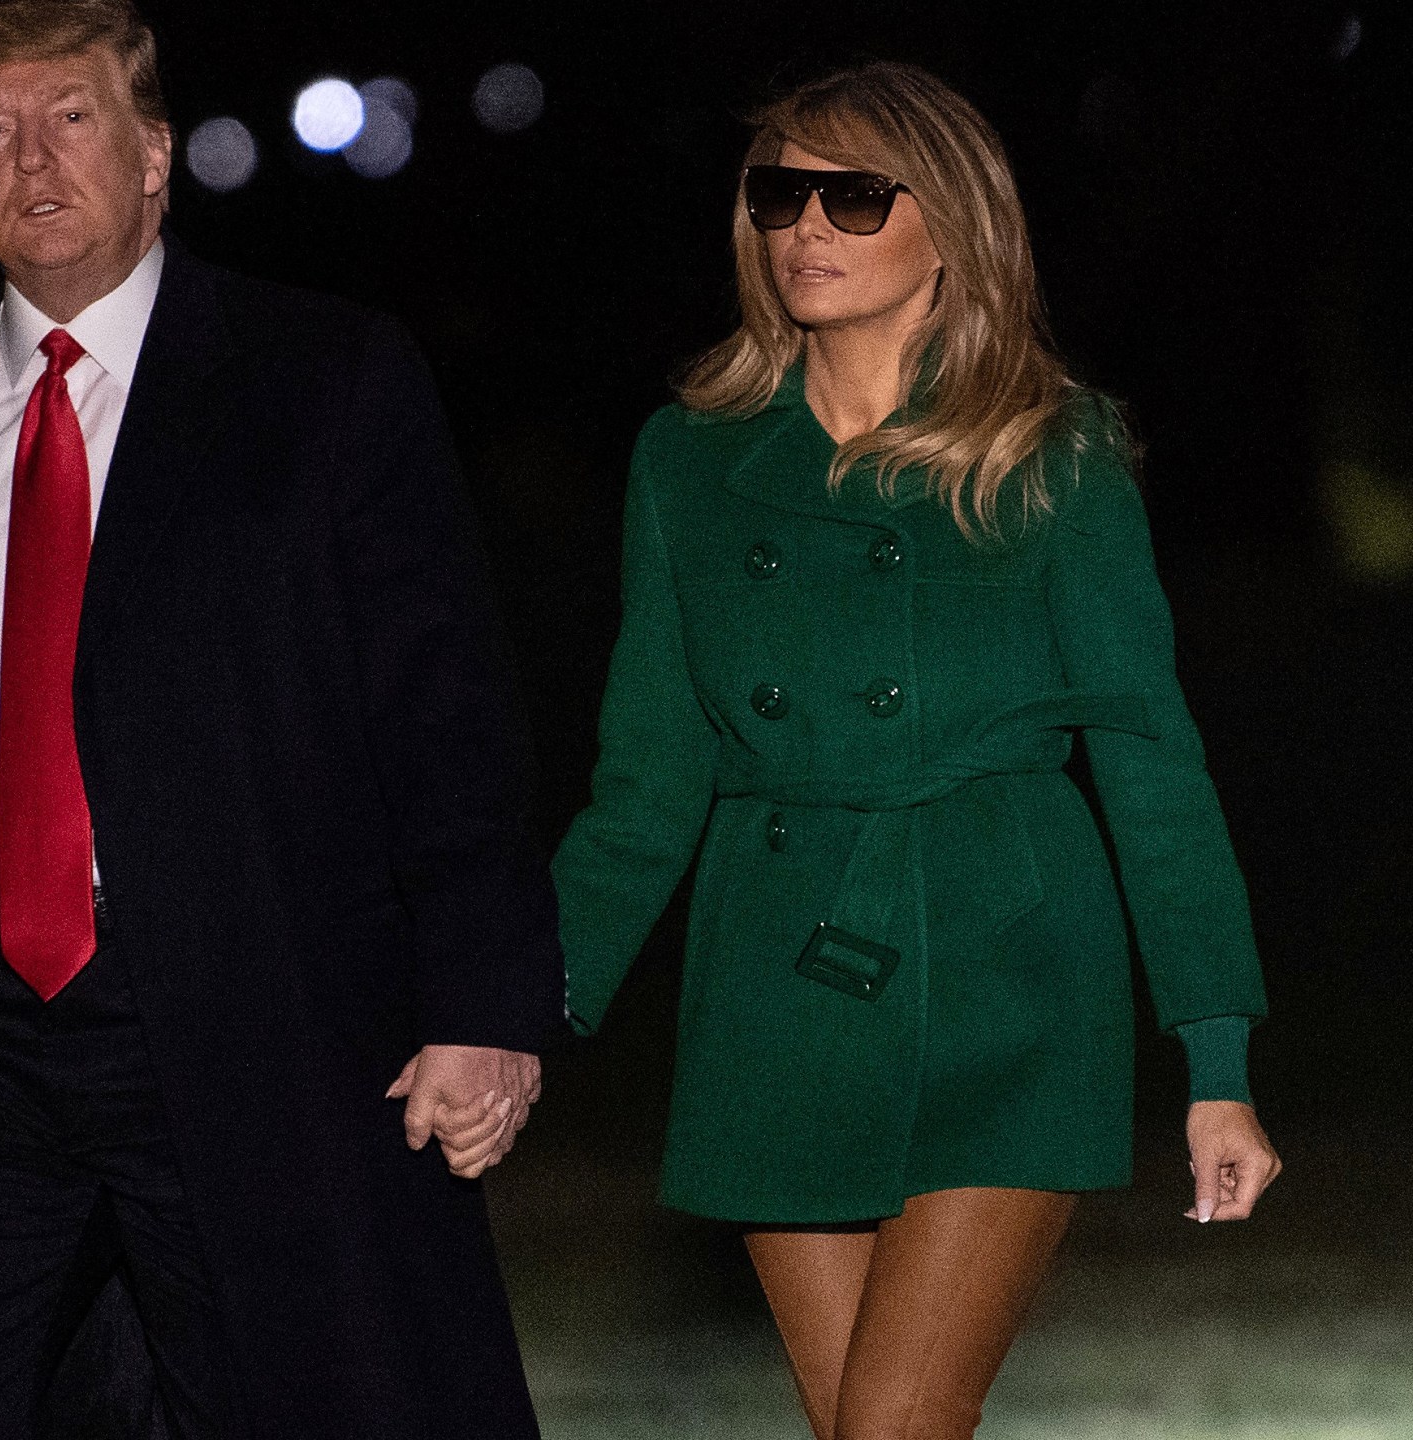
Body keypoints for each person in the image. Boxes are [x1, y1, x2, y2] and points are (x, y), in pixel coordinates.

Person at [0, 2, 563, 1435]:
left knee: (297, 1399)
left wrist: (483, 1006)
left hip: (252, 1002)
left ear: (155, 155)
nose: (34, 162)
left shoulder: (326, 380)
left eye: (71, 116)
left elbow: (443, 720)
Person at [549, 61, 1281, 1440]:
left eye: (855, 195)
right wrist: (510, 1008)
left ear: (954, 223)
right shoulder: (688, 464)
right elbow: (647, 780)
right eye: (780, 193)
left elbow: (1150, 760)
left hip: (1006, 964)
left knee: (891, 1425)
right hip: (776, 975)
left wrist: (1218, 1058)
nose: (806, 226)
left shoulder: (1051, 453)